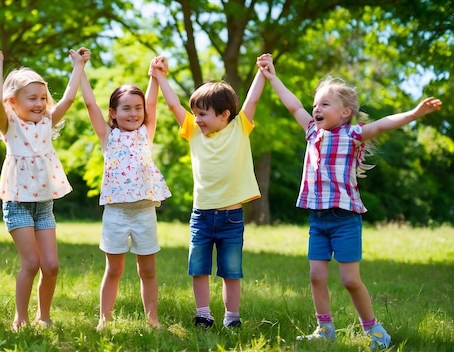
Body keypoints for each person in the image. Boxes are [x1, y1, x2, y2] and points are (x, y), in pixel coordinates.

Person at [257, 53, 442, 350]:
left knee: (349, 280)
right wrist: (272, 76)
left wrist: (413, 114)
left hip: (344, 219)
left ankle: (376, 331)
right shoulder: (311, 132)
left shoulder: (352, 134)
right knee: (316, 275)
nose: (316, 109)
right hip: (318, 219)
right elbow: (292, 104)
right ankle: (325, 327)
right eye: (315, 104)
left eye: (324, 104)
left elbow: (382, 125)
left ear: (345, 113)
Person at [150, 55, 266, 329]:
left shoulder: (240, 127)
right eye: (196, 113)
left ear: (225, 114)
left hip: (231, 218)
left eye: (203, 113)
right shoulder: (193, 130)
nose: (197, 119)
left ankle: (232, 317)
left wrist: (262, 72)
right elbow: (172, 104)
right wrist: (160, 76)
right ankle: (203, 314)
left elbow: (252, 100)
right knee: (198, 268)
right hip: (201, 216)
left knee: (231, 272)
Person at [0, 48, 90, 331]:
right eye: (31, 98)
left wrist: (78, 65)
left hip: (43, 204)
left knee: (52, 266)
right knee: (31, 263)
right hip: (17, 203)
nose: (39, 103)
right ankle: (20, 317)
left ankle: (43, 316)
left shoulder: (46, 122)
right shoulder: (11, 126)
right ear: (13, 102)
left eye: (43, 98)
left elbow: (69, 97)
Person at [79, 57, 171, 330]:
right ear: (114, 112)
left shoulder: (145, 133)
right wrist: (80, 70)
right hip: (116, 213)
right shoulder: (108, 136)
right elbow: (89, 104)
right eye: (126, 108)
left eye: (137, 108)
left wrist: (154, 76)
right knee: (114, 269)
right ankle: (104, 321)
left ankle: (152, 320)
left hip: (144, 212)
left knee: (148, 270)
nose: (134, 113)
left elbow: (153, 104)